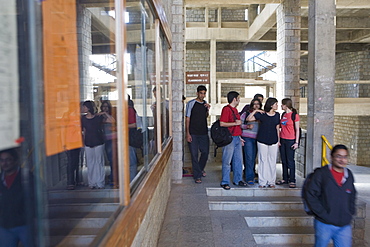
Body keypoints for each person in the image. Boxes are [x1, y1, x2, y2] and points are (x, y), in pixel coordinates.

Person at [306, 145, 356, 247]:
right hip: (324, 224)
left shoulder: (349, 175)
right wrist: (322, 214)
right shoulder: (321, 174)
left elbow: (352, 195)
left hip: (344, 225)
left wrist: (350, 212)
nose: (342, 160)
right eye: (338, 156)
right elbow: (311, 195)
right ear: (332, 157)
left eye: (345, 157)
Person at [0, 148, 32, 247]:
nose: (5, 163)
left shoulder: (27, 177)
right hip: (5, 227)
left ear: (15, 161)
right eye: (2, 160)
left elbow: (35, 199)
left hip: (25, 225)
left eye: (8, 159)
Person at [247, 97, 280, 188]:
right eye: (275, 104)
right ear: (271, 105)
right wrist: (256, 111)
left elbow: (277, 128)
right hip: (262, 140)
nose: (277, 105)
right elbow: (249, 119)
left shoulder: (277, 115)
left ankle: (271, 181)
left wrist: (279, 140)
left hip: (273, 140)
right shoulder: (262, 115)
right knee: (262, 160)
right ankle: (262, 181)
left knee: (272, 160)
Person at [219, 91, 247, 190]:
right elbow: (222, 123)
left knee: (238, 160)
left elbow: (238, 125)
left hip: (237, 138)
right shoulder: (226, 109)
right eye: (238, 98)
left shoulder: (235, 110)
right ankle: (225, 181)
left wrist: (239, 137)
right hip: (229, 138)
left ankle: (238, 179)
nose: (239, 100)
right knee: (227, 161)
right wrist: (235, 123)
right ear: (234, 99)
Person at [185, 85, 210, 184]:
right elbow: (187, 118)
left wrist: (208, 109)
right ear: (197, 93)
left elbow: (206, 116)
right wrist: (188, 133)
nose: (203, 95)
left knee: (205, 153)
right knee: (194, 155)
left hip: (203, 132)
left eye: (204, 93)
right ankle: (197, 176)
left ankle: (199, 169)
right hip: (193, 133)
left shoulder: (205, 104)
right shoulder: (191, 103)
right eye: (201, 93)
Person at [81, 100, 108, 189]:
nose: (83, 108)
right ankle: (91, 182)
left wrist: (103, 113)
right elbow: (84, 131)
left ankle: (100, 182)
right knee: (90, 162)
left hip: (98, 141)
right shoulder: (83, 118)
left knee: (99, 162)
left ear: (89, 108)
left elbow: (112, 120)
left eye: (85, 107)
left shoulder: (98, 118)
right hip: (88, 142)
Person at [276, 98, 300, 188]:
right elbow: (280, 128)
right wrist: (279, 140)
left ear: (286, 105)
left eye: (282, 104)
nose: (281, 106)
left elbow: (297, 129)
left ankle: (292, 179)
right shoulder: (283, 115)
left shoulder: (294, 115)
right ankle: (285, 178)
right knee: (284, 160)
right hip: (283, 139)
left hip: (291, 140)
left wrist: (296, 142)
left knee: (290, 160)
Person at [240, 98, 262, 185]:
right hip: (247, 138)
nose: (256, 106)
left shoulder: (261, 114)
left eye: (258, 104)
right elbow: (240, 124)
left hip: (257, 138)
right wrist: (247, 127)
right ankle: (249, 178)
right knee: (249, 158)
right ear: (252, 105)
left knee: (253, 158)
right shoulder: (246, 113)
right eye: (254, 104)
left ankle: (251, 175)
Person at [100, 100, 117, 186]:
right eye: (103, 106)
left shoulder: (111, 115)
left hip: (112, 140)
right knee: (107, 160)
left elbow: (112, 121)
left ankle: (113, 179)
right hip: (104, 140)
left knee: (112, 160)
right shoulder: (100, 116)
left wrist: (105, 113)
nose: (105, 108)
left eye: (107, 106)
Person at [128, 95, 139, 182]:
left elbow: (134, 124)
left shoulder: (130, 110)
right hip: (127, 139)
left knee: (131, 162)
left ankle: (132, 181)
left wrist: (121, 126)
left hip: (130, 139)